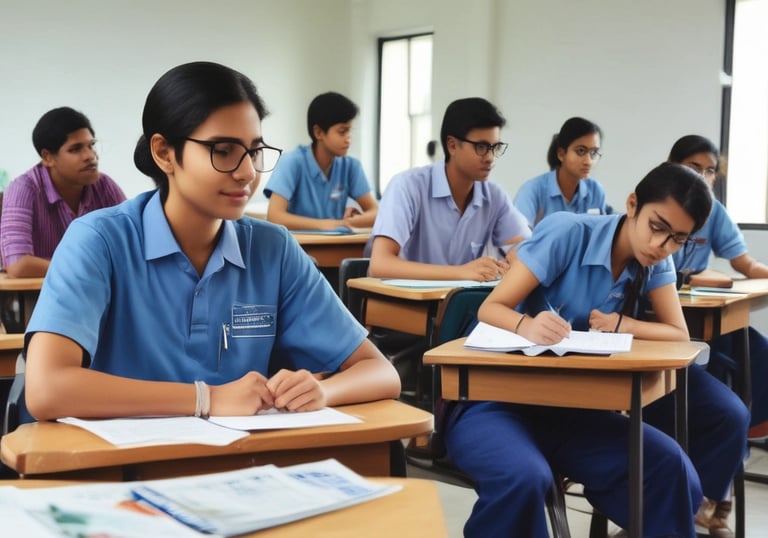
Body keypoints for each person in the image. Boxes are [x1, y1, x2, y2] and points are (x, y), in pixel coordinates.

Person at [23, 62, 400, 422]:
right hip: (122, 472)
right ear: (164, 153)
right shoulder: (98, 240)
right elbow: (46, 388)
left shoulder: (273, 249)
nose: (248, 172)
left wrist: (323, 392)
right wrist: (208, 398)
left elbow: (381, 372)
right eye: (223, 152)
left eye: (253, 151)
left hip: (243, 466)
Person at [445, 163, 749, 537]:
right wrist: (529, 325)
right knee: (525, 477)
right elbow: (489, 308)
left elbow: (679, 337)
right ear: (633, 204)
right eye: (657, 227)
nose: (661, 245)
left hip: (571, 408)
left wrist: (624, 325)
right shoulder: (567, 231)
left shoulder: (654, 260)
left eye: (677, 239)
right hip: (492, 401)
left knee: (670, 467)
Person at [669, 134, 768, 535]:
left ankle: (743, 439)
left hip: (702, 319)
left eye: (710, 170)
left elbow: (743, 262)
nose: (704, 176)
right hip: (666, 315)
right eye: (695, 167)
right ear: (672, 165)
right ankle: (709, 496)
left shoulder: (714, 210)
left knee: (754, 351)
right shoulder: (659, 200)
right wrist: (691, 275)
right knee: (718, 389)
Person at [369, 97, 530, 281]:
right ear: (452, 145)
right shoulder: (407, 186)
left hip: (459, 302)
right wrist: (461, 272)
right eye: (481, 147)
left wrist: (515, 260)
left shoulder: (494, 196)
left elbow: (522, 247)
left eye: (495, 147)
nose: (490, 157)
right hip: (406, 303)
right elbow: (380, 264)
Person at [0, 107, 126, 277]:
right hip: (37, 297)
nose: (90, 156)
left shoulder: (104, 186)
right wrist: (89, 269)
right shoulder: (23, 189)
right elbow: (19, 266)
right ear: (48, 157)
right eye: (75, 149)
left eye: (91, 145)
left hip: (97, 292)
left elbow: (133, 248)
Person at [263, 92, 377, 231]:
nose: (348, 139)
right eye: (342, 132)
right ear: (318, 132)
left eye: (349, 131)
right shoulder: (291, 162)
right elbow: (275, 216)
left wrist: (351, 221)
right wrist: (324, 224)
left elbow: (376, 213)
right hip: (299, 246)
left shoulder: (351, 166)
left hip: (336, 245)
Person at [514, 116, 606, 228]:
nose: (588, 161)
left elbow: (600, 238)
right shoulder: (533, 191)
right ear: (561, 154)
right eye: (581, 151)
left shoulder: (596, 191)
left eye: (594, 153)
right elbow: (519, 241)